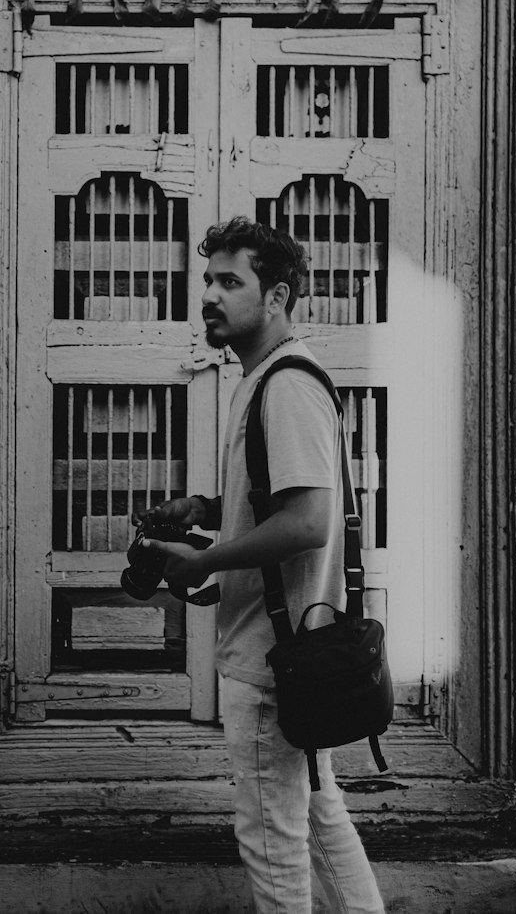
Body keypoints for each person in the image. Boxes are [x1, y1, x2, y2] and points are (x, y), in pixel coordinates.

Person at [138, 217, 385, 914]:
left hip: (273, 656)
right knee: (320, 818)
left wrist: (203, 561)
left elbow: (308, 521)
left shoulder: (286, 384)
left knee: (271, 839)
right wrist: (207, 506)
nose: (209, 295)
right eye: (206, 280)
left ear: (275, 296)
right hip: (289, 651)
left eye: (228, 281)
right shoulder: (265, 378)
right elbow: (275, 497)